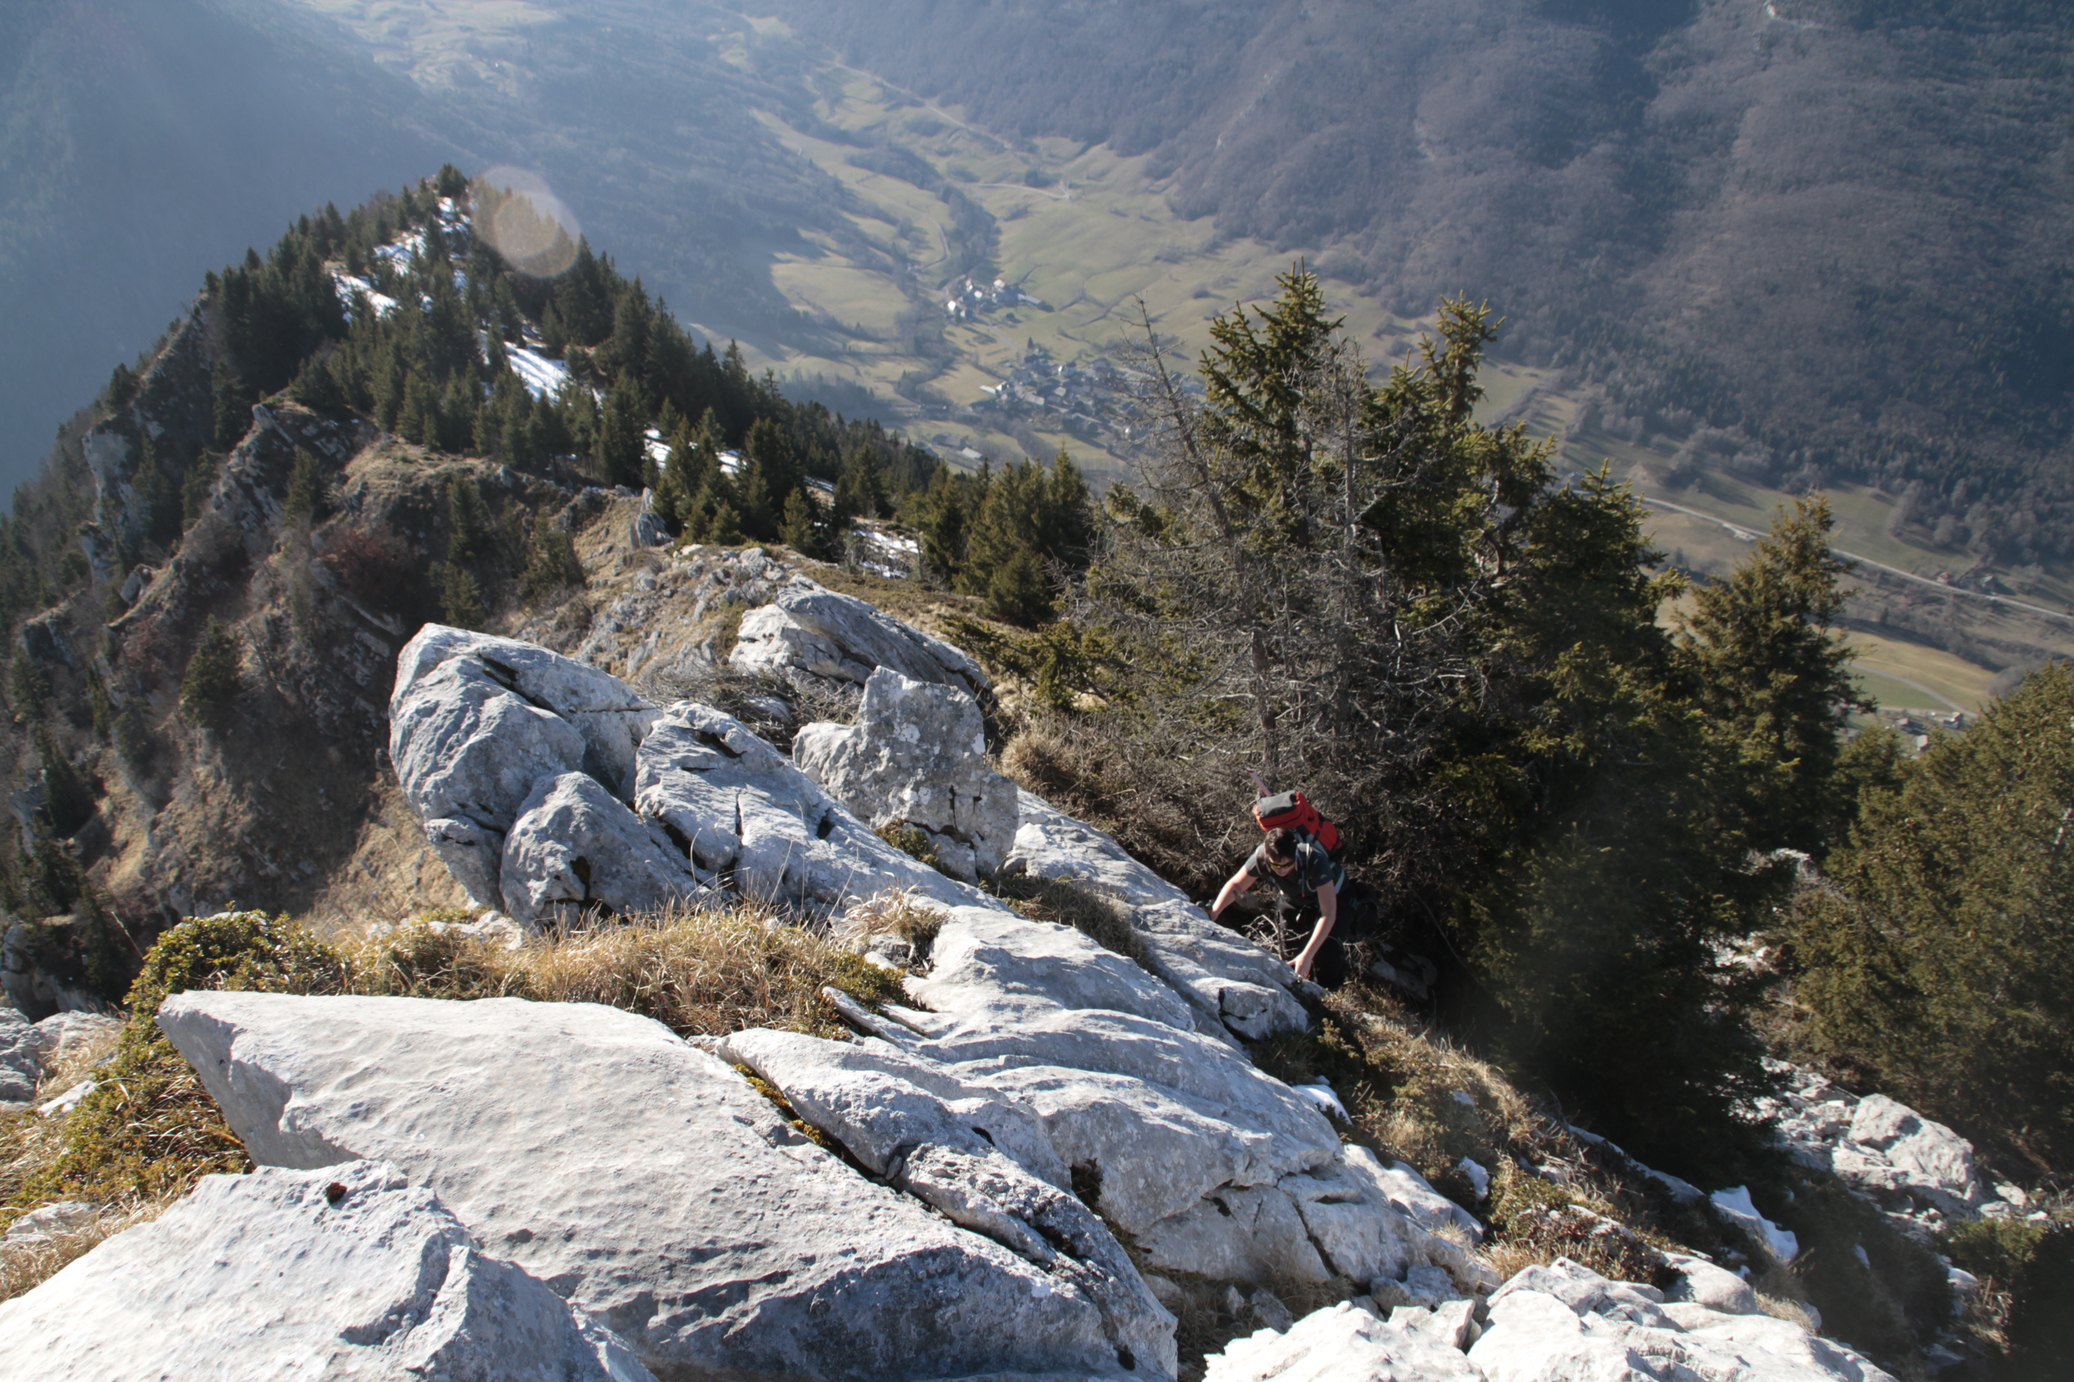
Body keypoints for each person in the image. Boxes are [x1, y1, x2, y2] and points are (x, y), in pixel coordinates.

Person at [1207, 825, 1347, 984]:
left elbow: (1328, 913)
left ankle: (1328, 991)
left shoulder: (1314, 859)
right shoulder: (1261, 857)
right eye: (1276, 865)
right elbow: (1237, 886)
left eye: (1287, 865)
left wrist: (1307, 955)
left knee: (1328, 950)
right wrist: (1215, 910)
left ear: (1295, 855)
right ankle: (1301, 989)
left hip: (1333, 896)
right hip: (1293, 898)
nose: (1281, 870)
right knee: (1290, 951)